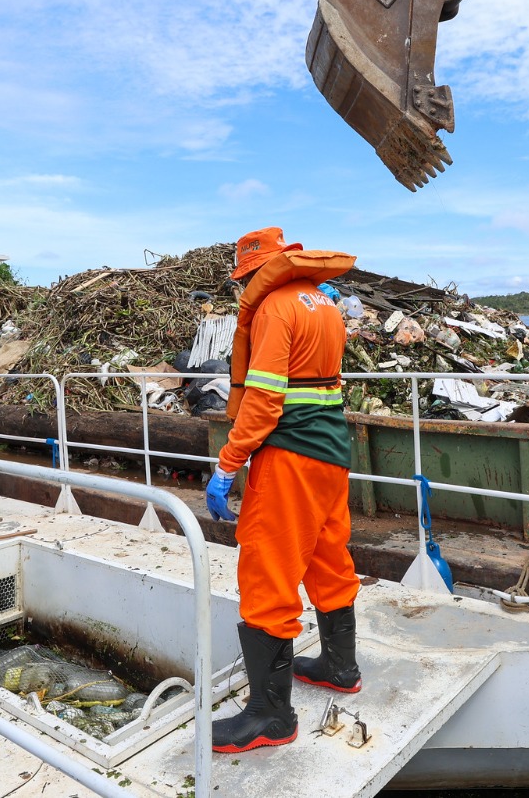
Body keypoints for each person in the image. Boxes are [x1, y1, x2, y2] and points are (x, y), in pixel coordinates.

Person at [204, 227, 359, 754]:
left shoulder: (273, 307)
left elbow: (265, 399)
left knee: (268, 571)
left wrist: (228, 464)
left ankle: (271, 716)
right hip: (331, 452)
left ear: (251, 273)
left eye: (241, 282)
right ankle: (340, 667)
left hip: (289, 456)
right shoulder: (324, 304)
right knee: (329, 558)